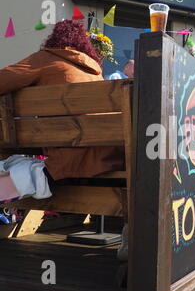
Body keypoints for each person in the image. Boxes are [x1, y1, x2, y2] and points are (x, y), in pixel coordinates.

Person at [0, 20, 125, 181]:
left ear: (54, 40)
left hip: (66, 163)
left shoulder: (48, 58)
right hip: (106, 159)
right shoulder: (95, 73)